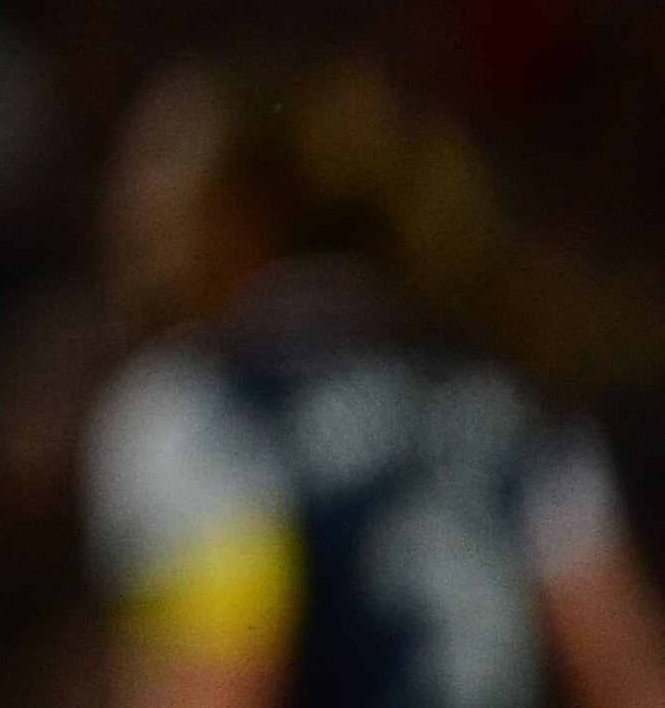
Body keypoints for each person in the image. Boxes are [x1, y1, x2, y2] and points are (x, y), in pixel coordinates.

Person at [91, 55, 665, 708]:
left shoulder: (204, 405)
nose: (133, 215)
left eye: (160, 176)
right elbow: (628, 670)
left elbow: (227, 678)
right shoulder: (502, 388)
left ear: (243, 206)